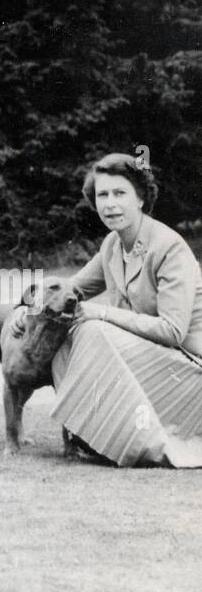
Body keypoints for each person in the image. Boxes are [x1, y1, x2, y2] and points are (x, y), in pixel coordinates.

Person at [53, 151, 202, 467]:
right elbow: (71, 290)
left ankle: (105, 434)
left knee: (92, 327)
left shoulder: (168, 247)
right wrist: (24, 309)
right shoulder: (112, 245)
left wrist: (104, 313)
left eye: (120, 193)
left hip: (192, 371)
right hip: (157, 365)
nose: (109, 204)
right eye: (102, 195)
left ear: (141, 199)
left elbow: (172, 331)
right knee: (66, 326)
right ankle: (92, 431)